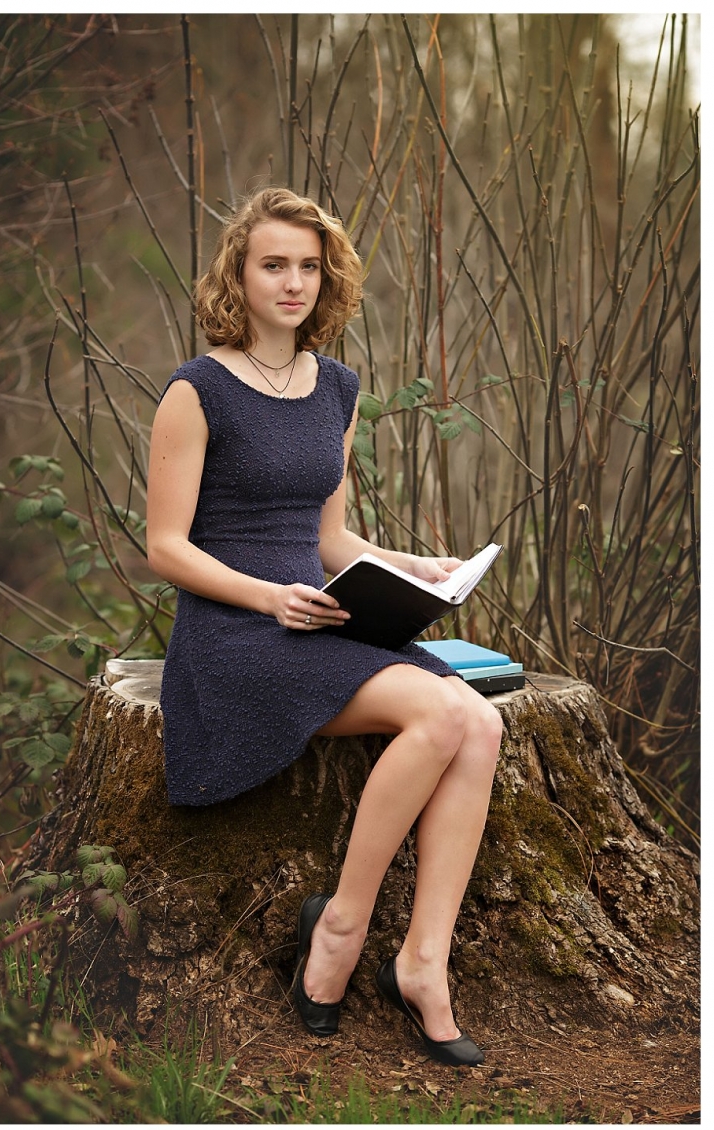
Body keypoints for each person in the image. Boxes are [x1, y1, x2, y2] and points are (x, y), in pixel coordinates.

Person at [146, 186, 503, 1067]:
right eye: (274, 264)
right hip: (237, 633)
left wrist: (412, 566)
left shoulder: (336, 387)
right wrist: (266, 598)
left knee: (482, 723)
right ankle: (340, 927)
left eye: (309, 266)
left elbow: (328, 537)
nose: (293, 282)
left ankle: (423, 961)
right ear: (240, 273)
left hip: (318, 613)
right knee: (444, 713)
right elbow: (163, 546)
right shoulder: (196, 393)